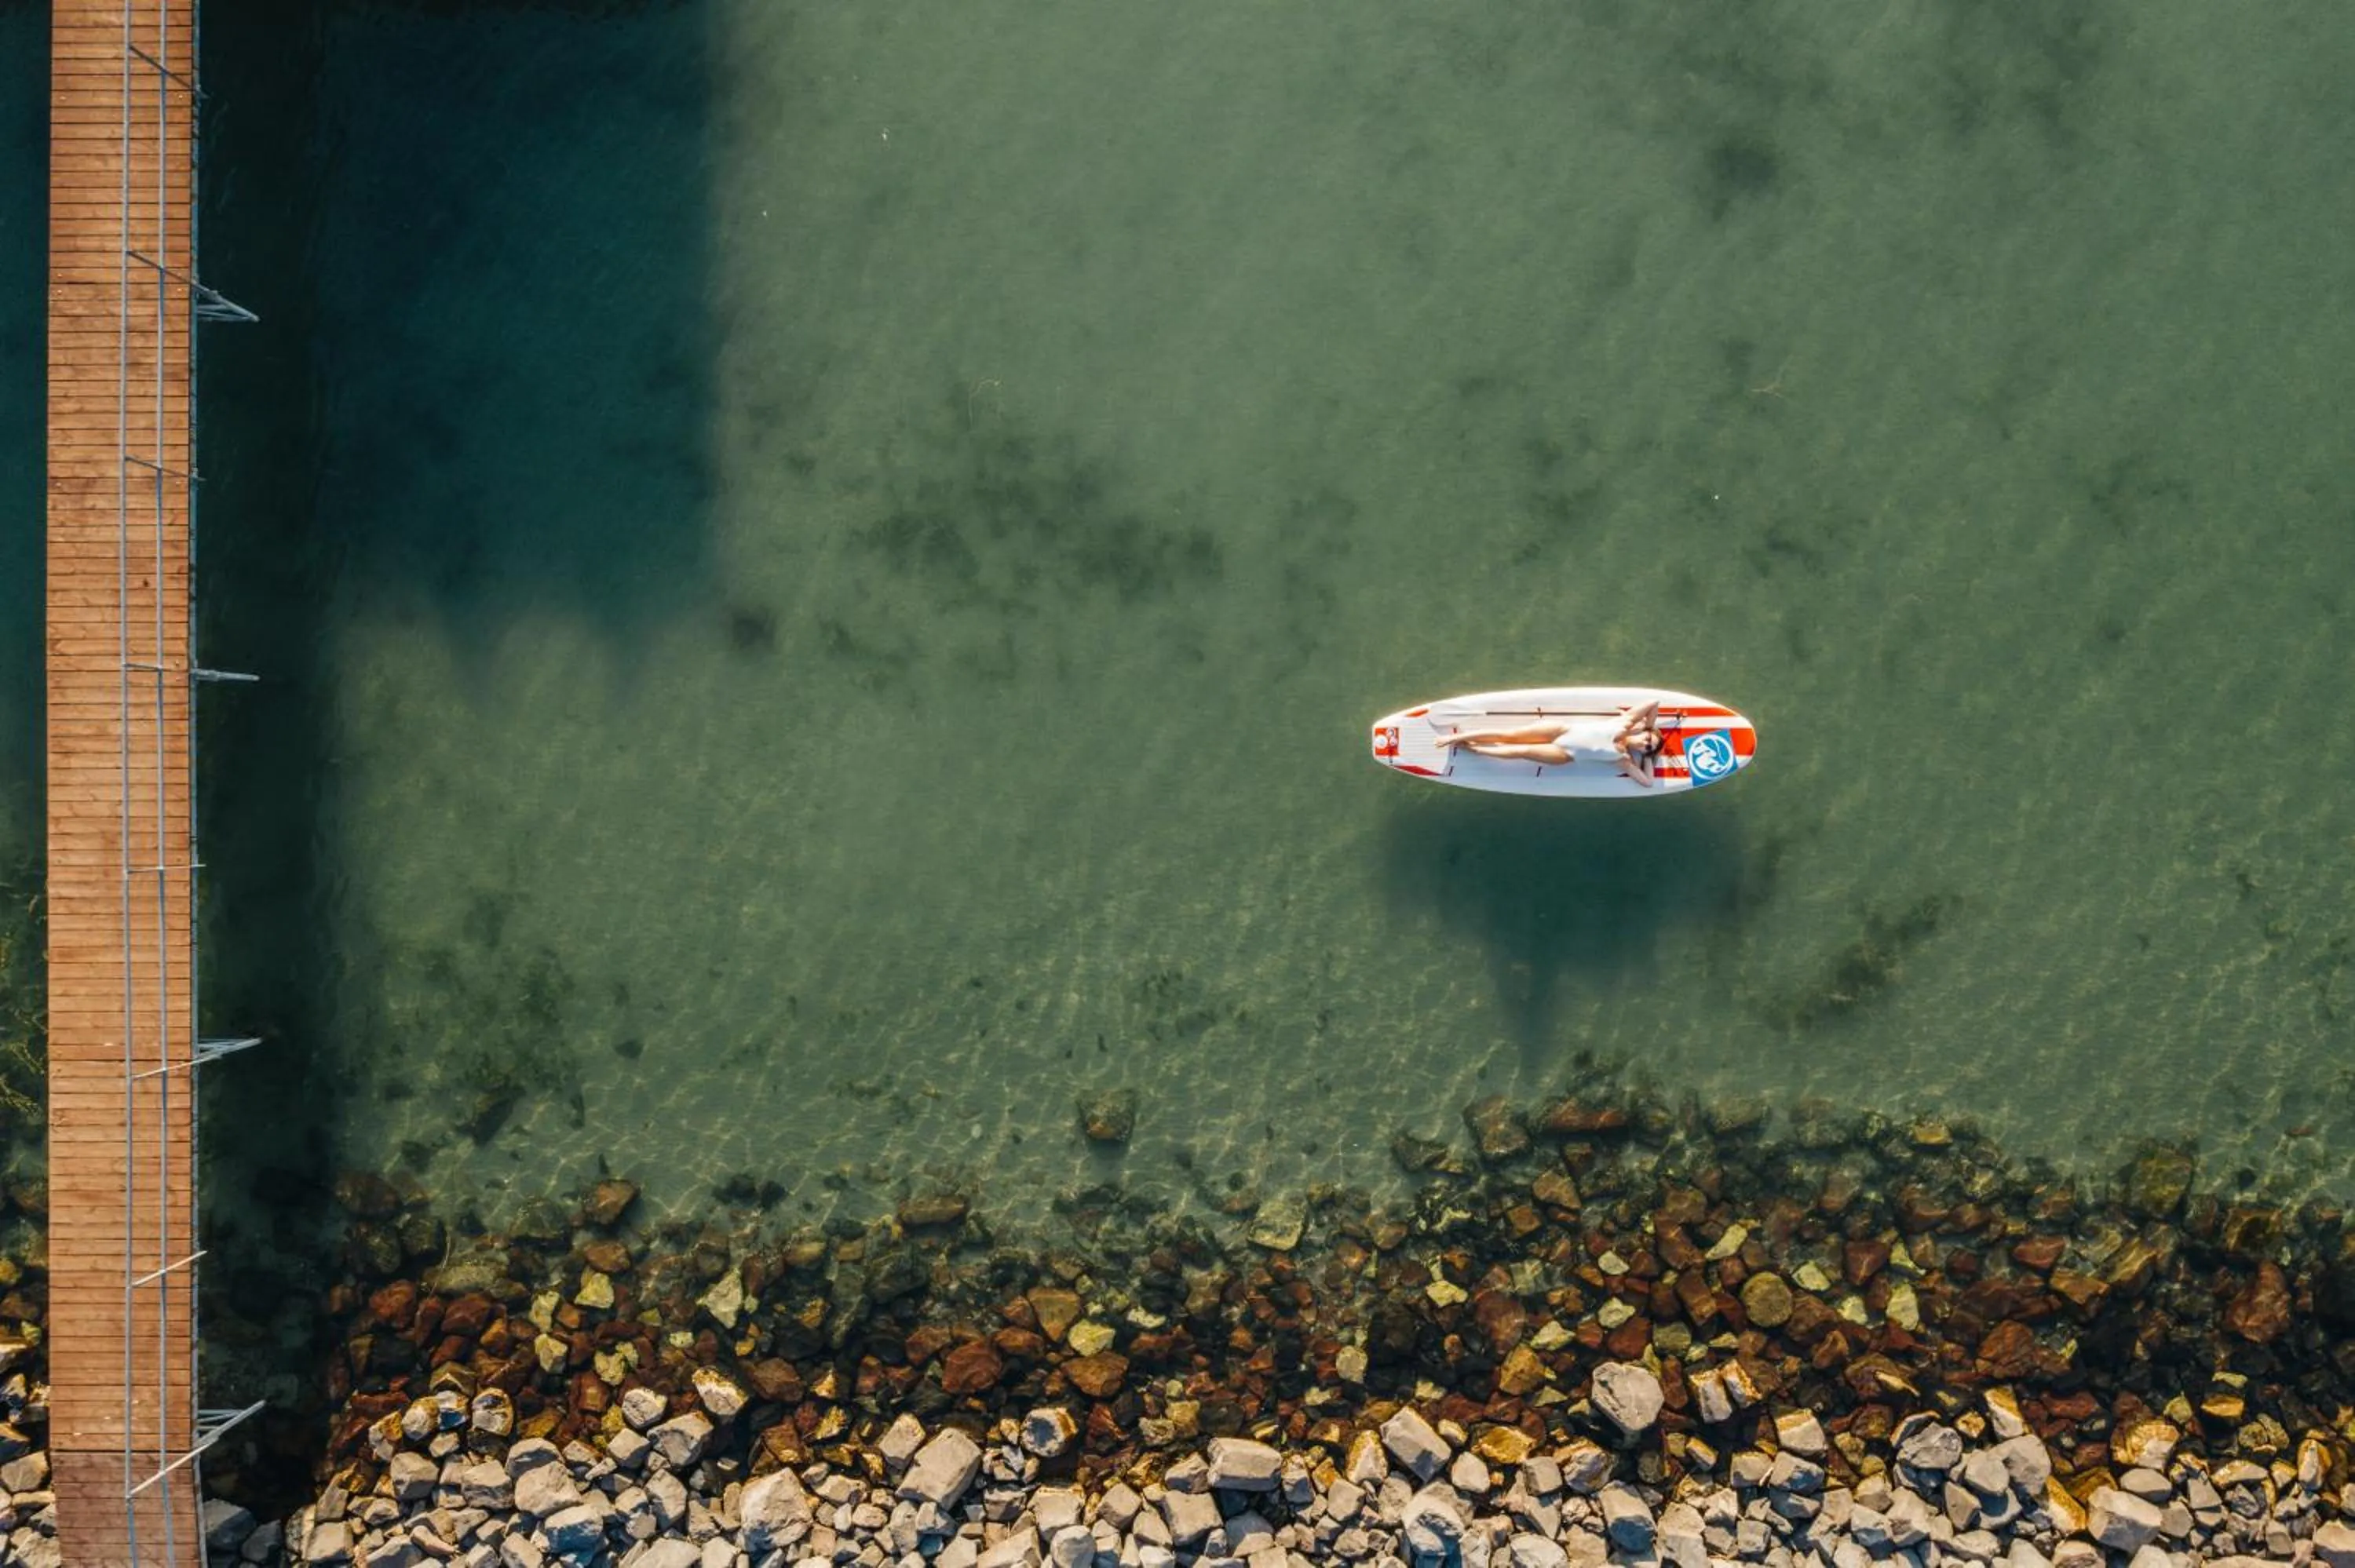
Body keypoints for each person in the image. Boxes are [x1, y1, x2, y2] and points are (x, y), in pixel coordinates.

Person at [1432, 700, 1666, 786]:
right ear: (1646, 730)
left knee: (1520, 751)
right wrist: (1649, 727)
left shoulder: (1624, 760)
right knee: (1509, 735)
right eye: (1648, 738)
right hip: (1561, 730)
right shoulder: (1626, 721)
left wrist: (1649, 758)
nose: (1645, 743)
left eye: (1647, 747)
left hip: (1563, 754)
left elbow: (1647, 782)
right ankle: (1455, 738)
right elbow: (1653, 704)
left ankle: (1474, 748)